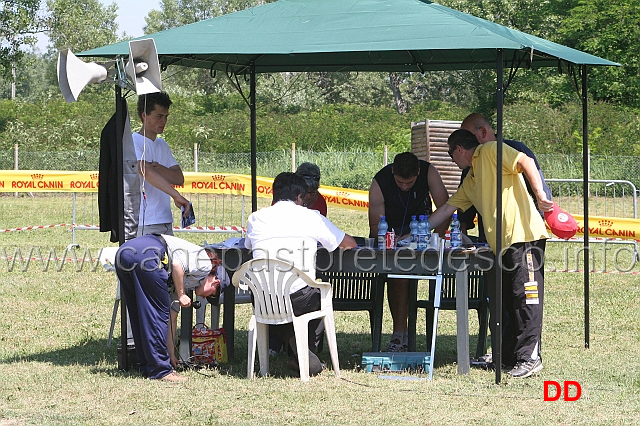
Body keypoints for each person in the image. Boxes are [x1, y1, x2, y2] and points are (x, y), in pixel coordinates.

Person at [428, 129, 553, 378]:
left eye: (451, 155)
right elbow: (446, 210)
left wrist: (540, 196)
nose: (452, 160)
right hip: (502, 246)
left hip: (524, 237)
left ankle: (530, 357)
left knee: (526, 298)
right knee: (507, 302)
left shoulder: (489, 151)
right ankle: (506, 357)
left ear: (459, 149)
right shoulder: (472, 178)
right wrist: (410, 235)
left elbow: (525, 161)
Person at [245, 172, 357, 376]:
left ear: (274, 195)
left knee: (286, 296)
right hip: (298, 298)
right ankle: (305, 355)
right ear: (299, 197)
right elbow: (349, 244)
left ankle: (296, 349)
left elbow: (249, 246)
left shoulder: (255, 218)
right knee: (315, 292)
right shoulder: (311, 217)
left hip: (261, 297)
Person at [368, 152, 449, 352]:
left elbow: (445, 207)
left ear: (419, 173)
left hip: (421, 238)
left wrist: (435, 238)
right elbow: (376, 224)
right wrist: (391, 241)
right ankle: (399, 335)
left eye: (410, 183)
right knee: (398, 277)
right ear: (393, 171)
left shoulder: (430, 172)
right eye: (400, 182)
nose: (404, 187)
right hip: (392, 239)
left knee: (404, 278)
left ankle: (401, 334)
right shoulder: (380, 181)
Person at [115, 234, 220, 382]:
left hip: (124, 253)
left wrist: (170, 353)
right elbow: (177, 265)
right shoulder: (205, 265)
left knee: (140, 314)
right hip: (149, 254)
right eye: (211, 294)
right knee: (157, 315)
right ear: (216, 281)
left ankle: (148, 365)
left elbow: (171, 317)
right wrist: (182, 294)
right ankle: (161, 371)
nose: (204, 298)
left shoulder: (185, 278)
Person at [458, 113, 552, 241]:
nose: (463, 143)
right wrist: (462, 225)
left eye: (467, 137)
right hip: (490, 237)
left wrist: (541, 210)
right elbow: (466, 198)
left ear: (483, 132)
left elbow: (538, 188)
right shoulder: (471, 163)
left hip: (523, 235)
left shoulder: (515, 149)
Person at [133, 91, 190, 236]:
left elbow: (179, 178)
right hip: (144, 221)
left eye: (165, 117)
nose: (163, 121)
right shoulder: (133, 141)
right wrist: (175, 195)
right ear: (144, 115)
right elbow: (144, 170)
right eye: (159, 116)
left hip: (164, 220)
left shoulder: (162, 144)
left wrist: (160, 169)